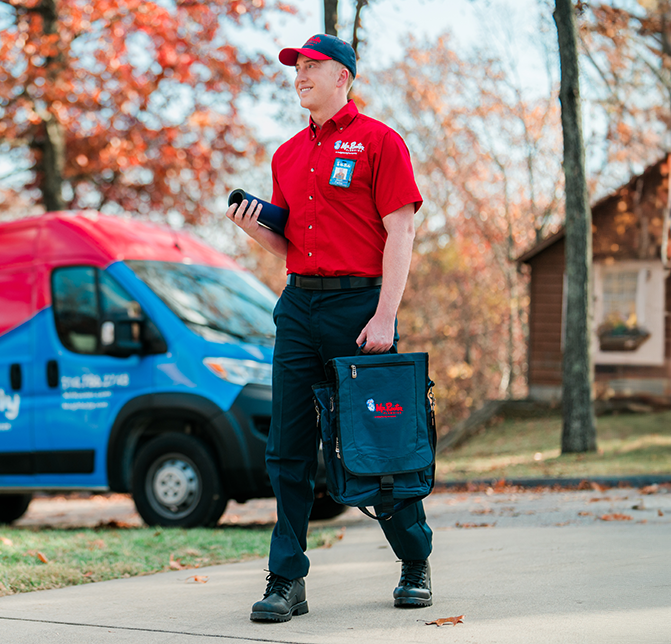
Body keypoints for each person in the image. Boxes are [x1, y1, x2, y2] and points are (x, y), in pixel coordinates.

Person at [226, 33, 433, 623]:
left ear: (343, 76)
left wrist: (385, 315)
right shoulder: (286, 155)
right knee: (287, 450)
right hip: (298, 309)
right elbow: (288, 242)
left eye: (312, 66)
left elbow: (401, 232)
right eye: (297, 67)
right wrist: (254, 227)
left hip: (360, 307)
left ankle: (415, 558)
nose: (300, 75)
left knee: (377, 447)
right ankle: (286, 579)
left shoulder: (379, 143)